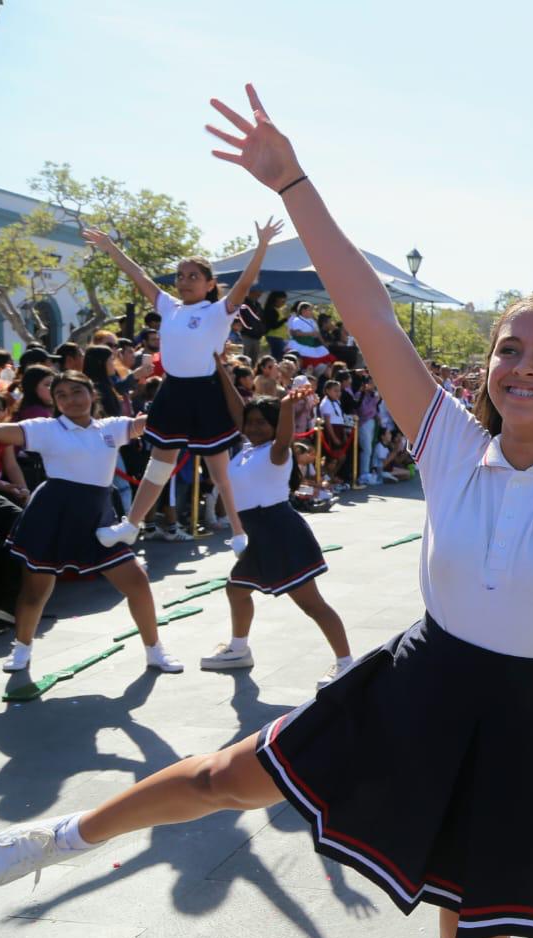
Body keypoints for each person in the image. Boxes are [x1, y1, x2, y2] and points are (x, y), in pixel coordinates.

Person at [0, 78, 533, 938]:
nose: (523, 365)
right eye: (509, 347)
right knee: (222, 777)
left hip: (523, 719)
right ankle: (53, 840)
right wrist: (292, 183)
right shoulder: (449, 443)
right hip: (415, 680)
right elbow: (371, 313)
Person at [83, 221, 283, 556]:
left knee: (220, 469)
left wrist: (261, 244)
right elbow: (139, 275)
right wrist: (110, 247)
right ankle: (130, 526)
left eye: (193, 276)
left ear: (208, 285)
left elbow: (246, 282)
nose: (184, 281)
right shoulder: (168, 307)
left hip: (205, 394)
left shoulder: (218, 311)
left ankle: (238, 531)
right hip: (173, 392)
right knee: (159, 465)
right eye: (180, 275)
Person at [0, 370, 182, 674]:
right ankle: (22, 648)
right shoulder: (45, 428)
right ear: (54, 401)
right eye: (62, 395)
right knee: (35, 590)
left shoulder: (111, 427)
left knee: (137, 581)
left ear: (92, 393)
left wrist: (182, 387)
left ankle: (154, 650)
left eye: (77, 392)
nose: (71, 400)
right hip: (51, 513)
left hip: (98, 517)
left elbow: (149, 424)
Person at [199, 355, 352, 689]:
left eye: (261, 423)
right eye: (250, 422)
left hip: (280, 531)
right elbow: (237, 407)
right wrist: (219, 368)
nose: (253, 427)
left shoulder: (276, 452)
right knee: (236, 590)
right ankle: (239, 648)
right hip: (257, 535)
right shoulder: (246, 449)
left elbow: (284, 435)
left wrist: (285, 406)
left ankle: (346, 663)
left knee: (312, 604)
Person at [286, 302, 337, 371]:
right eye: (310, 310)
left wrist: (323, 343)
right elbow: (297, 333)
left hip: (314, 343)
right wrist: (310, 334)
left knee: (326, 354)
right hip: (302, 343)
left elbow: (318, 333)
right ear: (303, 311)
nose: (311, 312)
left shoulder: (312, 320)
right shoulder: (297, 320)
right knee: (310, 361)